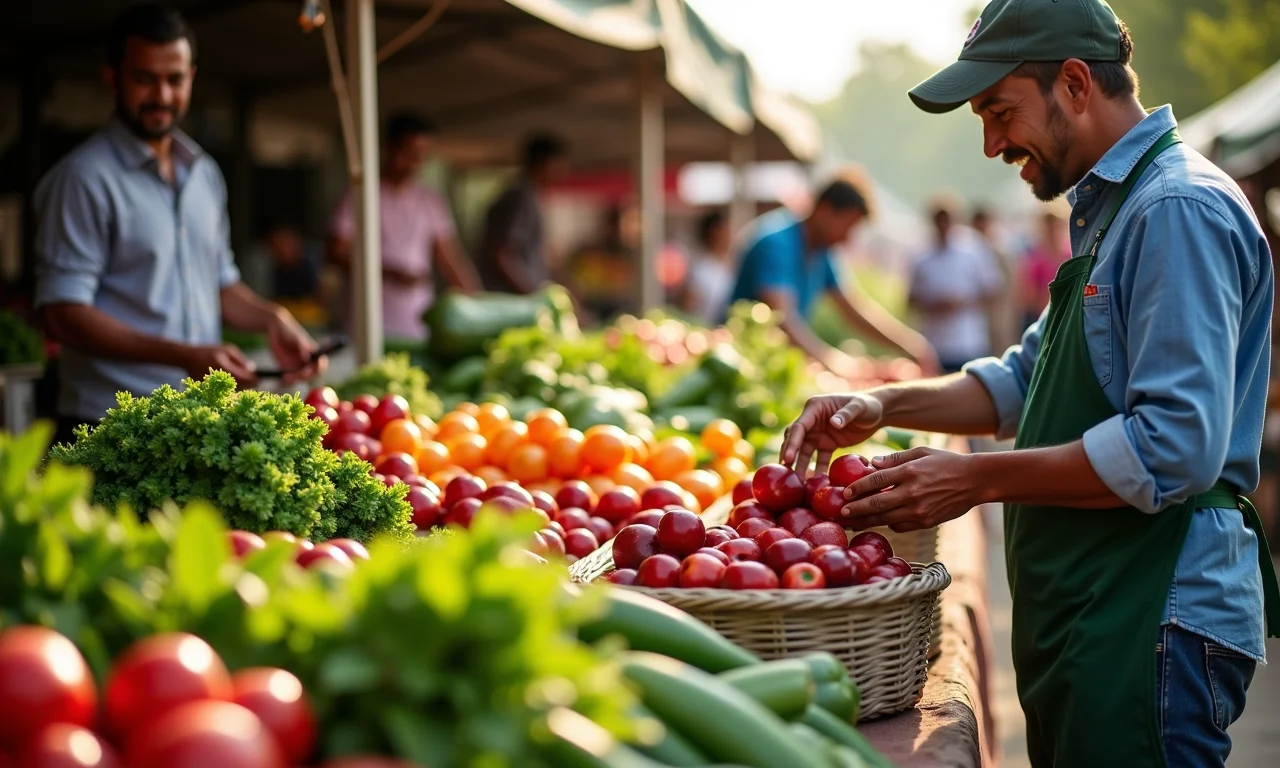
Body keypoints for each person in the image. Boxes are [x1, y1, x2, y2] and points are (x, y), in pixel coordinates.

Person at [781, 1, 1278, 765]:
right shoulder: (1115, 212)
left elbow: (1173, 447)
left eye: (999, 111)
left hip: (1151, 608)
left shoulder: (1174, 209)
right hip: (1102, 602)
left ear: (1075, 83)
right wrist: (879, 406)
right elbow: (1023, 380)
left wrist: (974, 479)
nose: (990, 144)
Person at [33, 2, 325, 447]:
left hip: (193, 421)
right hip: (106, 427)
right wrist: (183, 356)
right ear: (112, 77)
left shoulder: (204, 174)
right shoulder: (83, 179)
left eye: (174, 79)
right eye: (145, 78)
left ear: (191, 77)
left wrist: (273, 319)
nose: (163, 96)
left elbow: (220, 285)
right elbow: (63, 315)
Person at [727, 177, 939, 379]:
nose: (847, 238)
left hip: (772, 362)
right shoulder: (777, 243)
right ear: (824, 210)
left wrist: (910, 345)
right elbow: (783, 319)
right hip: (738, 362)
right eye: (847, 227)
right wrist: (836, 363)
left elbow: (854, 310)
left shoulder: (822, 253)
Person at [328, 112, 480, 342]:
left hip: (416, 321)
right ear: (389, 148)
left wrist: (478, 303)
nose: (414, 163)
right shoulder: (360, 195)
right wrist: (387, 273)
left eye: (420, 156)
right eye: (408, 154)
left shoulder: (429, 201)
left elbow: (450, 258)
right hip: (367, 321)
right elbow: (335, 253)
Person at [907, 198, 1004, 373]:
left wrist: (961, 303)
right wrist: (934, 305)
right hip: (935, 345)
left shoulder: (974, 249)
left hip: (969, 342)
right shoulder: (921, 256)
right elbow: (910, 300)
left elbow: (993, 290)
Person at [477, 132, 568, 294]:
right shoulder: (521, 198)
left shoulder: (527, 196)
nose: (561, 170)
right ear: (543, 163)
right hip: (509, 299)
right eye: (557, 164)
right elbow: (501, 254)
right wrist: (531, 294)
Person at [971, 205, 1021, 353]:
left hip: (999, 312)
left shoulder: (1001, 251)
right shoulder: (968, 250)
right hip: (977, 316)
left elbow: (1009, 285)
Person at [1018, 210, 1072, 331]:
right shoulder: (1033, 256)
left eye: (1055, 227)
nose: (1052, 231)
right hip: (1040, 317)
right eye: (1049, 227)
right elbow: (1028, 296)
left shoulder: (1069, 254)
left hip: (1065, 315)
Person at [680, 210, 736, 324]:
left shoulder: (730, 264)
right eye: (725, 230)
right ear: (714, 233)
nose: (729, 235)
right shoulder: (699, 270)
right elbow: (687, 310)